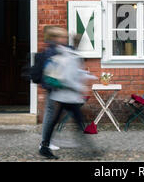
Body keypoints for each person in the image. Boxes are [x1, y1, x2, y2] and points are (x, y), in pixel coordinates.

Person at [40, 31, 101, 159]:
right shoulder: (71, 56)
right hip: (68, 96)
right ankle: (89, 151)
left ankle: (45, 146)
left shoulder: (70, 54)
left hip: (65, 96)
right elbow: (68, 78)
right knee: (78, 122)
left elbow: (73, 72)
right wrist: (80, 87)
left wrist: (87, 76)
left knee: (58, 121)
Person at [36, 25, 66, 156]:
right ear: (55, 38)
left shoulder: (52, 48)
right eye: (62, 37)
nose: (64, 39)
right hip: (52, 86)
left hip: (52, 85)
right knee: (50, 112)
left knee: (52, 112)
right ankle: (45, 142)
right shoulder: (53, 50)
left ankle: (46, 141)